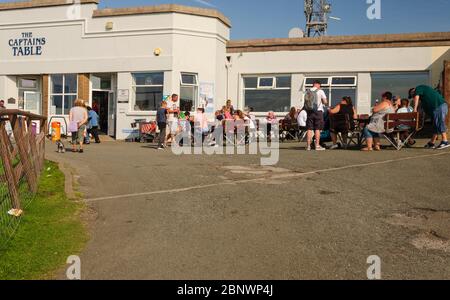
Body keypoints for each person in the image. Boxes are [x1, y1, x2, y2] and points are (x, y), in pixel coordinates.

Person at [409, 85, 449, 150]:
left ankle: (445, 141)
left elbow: (417, 96)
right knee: (435, 125)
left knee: (439, 122)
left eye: (413, 95)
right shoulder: (424, 100)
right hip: (437, 108)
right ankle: (432, 142)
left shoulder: (419, 88)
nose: (413, 97)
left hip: (438, 106)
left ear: (413, 91)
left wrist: (415, 109)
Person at [305, 80, 328, 151]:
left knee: (309, 128)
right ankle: (317, 145)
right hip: (318, 111)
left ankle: (308, 146)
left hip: (309, 111)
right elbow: (325, 102)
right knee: (317, 129)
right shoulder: (320, 91)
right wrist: (324, 103)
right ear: (318, 84)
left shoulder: (307, 91)